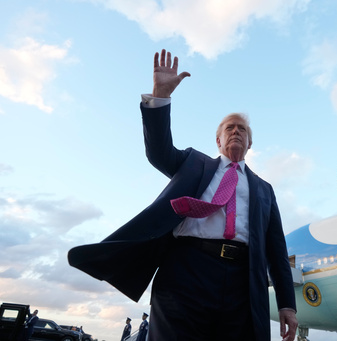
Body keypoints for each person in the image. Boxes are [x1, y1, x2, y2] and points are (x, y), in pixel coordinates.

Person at [68, 49, 297, 341]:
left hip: (244, 280)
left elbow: (276, 249)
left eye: (242, 129)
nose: (236, 132)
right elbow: (158, 152)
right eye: (230, 128)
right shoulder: (193, 163)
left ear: (250, 143)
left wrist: (287, 304)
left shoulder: (264, 190)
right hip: (187, 271)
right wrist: (160, 96)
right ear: (218, 140)